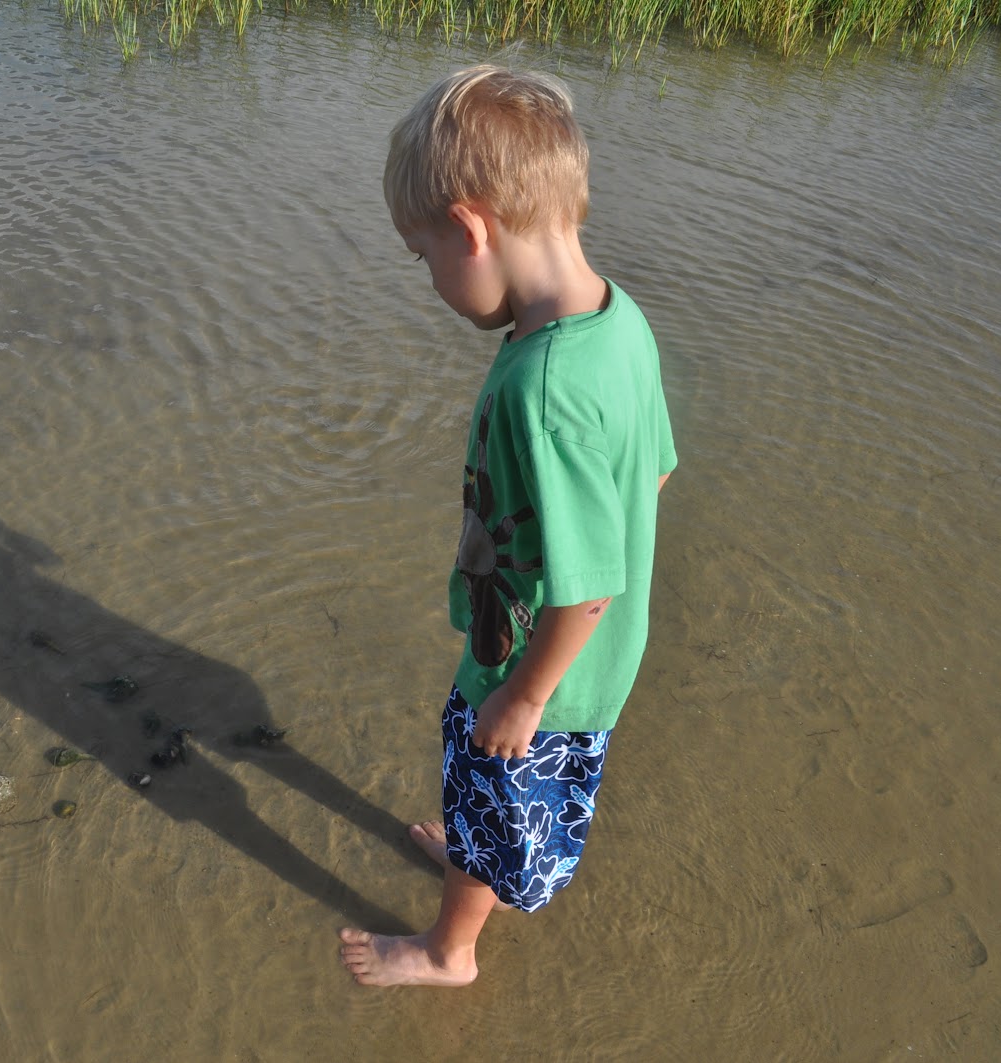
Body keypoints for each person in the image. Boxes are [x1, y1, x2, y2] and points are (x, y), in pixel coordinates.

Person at [339, 66, 677, 988]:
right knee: (484, 798)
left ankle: (449, 951)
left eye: (424, 258)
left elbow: (588, 587)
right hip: (579, 656)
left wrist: (525, 696)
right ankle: (470, 847)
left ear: (471, 228)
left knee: (491, 780)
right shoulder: (619, 321)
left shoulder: (545, 387)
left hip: (539, 669)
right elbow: (654, 468)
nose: (431, 280)